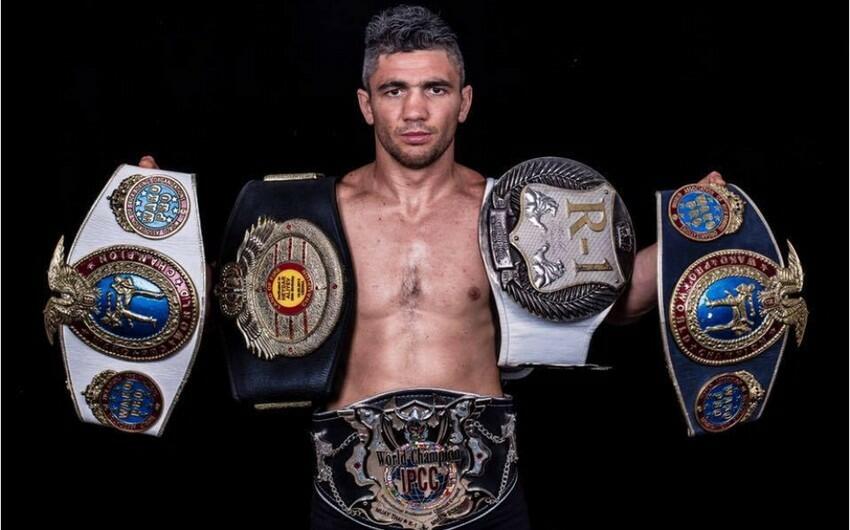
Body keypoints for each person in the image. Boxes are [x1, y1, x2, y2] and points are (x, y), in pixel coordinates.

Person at [138, 5, 725, 529]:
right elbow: (225, 299)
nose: (414, 111)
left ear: (463, 102)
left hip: (485, 501)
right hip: (349, 499)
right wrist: (157, 246)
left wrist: (689, 239)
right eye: (394, 90)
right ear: (366, 104)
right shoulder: (308, 216)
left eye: (435, 89)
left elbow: (614, 302)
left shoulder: (517, 214)